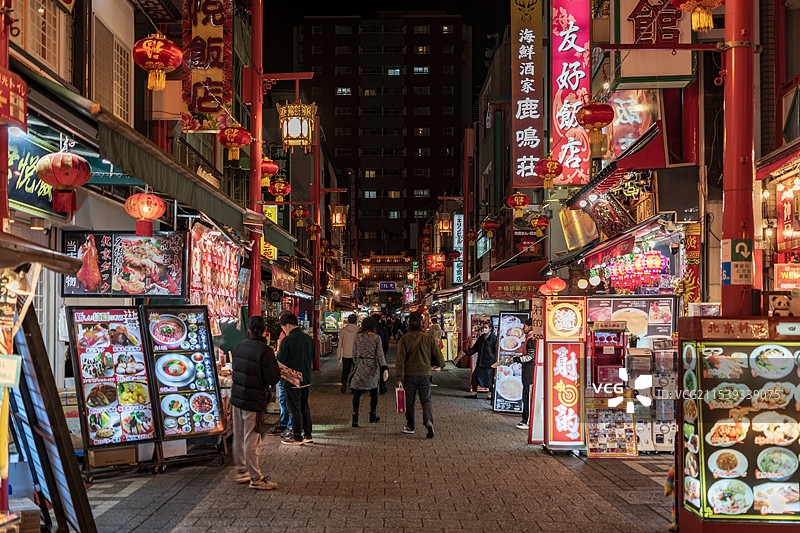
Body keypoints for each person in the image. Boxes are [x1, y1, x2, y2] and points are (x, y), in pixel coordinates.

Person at [231, 316, 280, 490]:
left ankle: (241, 470)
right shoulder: (264, 350)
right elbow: (273, 378)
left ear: (249, 330)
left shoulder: (239, 346)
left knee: (238, 436)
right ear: (265, 331)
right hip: (254, 400)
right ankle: (255, 478)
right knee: (252, 438)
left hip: (237, 398)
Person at [396, 312, 445, 438]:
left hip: (410, 374)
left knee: (409, 401)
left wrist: (398, 376)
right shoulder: (428, 338)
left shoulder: (404, 339)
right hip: (425, 374)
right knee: (426, 400)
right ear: (421, 323)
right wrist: (441, 365)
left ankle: (410, 426)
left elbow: (400, 358)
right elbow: (437, 353)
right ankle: (428, 421)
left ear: (409, 323)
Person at [276, 312, 315, 445]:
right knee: (304, 407)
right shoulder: (308, 338)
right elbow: (313, 355)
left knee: (294, 409)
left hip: (291, 380)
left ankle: (297, 436)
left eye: (283, 328)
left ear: (287, 325)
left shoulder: (287, 340)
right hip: (306, 379)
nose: (283, 331)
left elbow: (280, 360)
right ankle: (308, 434)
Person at [348, 317, 389, 427]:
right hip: (372, 366)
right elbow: (380, 354)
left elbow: (354, 352)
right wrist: (384, 367)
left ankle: (355, 418)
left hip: (360, 364)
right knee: (374, 392)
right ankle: (372, 415)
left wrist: (356, 363)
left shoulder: (358, 337)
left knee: (357, 393)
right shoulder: (376, 338)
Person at [268, 311, 292, 437]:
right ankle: (286, 424)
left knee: (285, 400)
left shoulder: (287, 336)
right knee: (285, 400)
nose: (280, 325)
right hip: (286, 373)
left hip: (286, 373)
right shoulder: (285, 335)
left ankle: (287, 425)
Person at [461, 322, 497, 400]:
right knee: (475, 377)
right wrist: (466, 353)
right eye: (483, 327)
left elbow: (496, 351)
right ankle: (474, 393)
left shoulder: (494, 338)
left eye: (486, 327)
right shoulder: (481, 338)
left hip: (489, 363)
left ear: (490, 328)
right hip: (480, 362)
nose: (484, 329)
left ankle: (490, 394)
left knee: (489, 379)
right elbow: (474, 349)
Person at [513, 318, 537, 430]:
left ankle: (527, 421)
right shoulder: (530, 338)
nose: (523, 328)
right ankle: (526, 420)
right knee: (526, 394)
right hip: (527, 370)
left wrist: (516, 359)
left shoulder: (532, 339)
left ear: (531, 326)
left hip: (530, 371)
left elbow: (531, 356)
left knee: (528, 396)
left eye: (525, 326)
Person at [338, 314, 359, 394]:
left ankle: (344, 383)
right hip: (356, 354)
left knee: (345, 371)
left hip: (346, 354)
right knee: (355, 371)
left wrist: (338, 354)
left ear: (348, 321)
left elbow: (340, 343)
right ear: (356, 321)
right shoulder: (359, 330)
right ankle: (353, 386)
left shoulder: (343, 330)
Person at [372, 314, 390, 394]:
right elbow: (386, 342)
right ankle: (382, 388)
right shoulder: (383, 329)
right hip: (381, 353)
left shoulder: (371, 331)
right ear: (379, 320)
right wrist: (385, 352)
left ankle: (373, 389)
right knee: (382, 370)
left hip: (372, 354)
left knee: (373, 371)